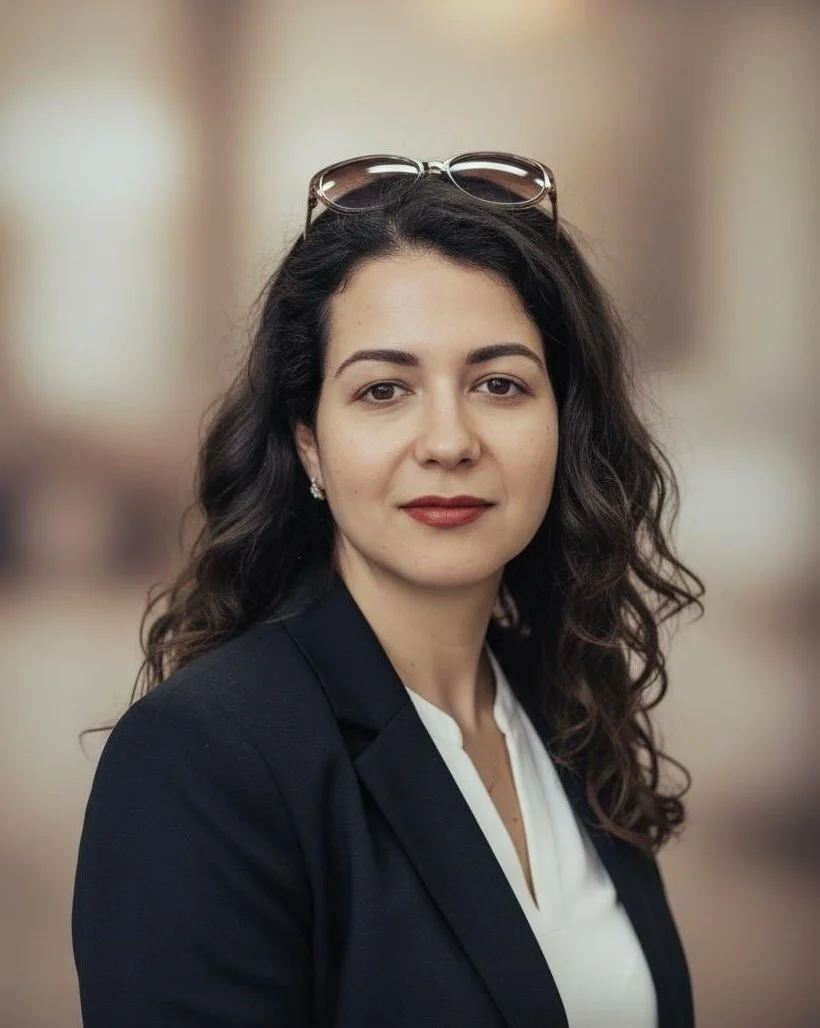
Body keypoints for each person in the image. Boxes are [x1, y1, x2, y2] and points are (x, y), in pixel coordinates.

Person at [71, 152, 704, 1027]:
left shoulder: (564, 717)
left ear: (564, 425)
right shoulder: (205, 757)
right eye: (383, 389)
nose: (448, 440)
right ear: (309, 447)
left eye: (499, 383)